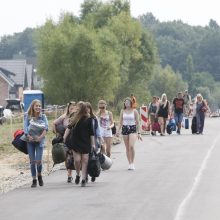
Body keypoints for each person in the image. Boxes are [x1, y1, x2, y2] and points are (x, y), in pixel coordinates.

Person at [63, 101, 95, 187]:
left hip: (85, 142)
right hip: (75, 141)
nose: (76, 108)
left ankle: (83, 179)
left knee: (85, 160)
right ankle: (78, 174)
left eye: (78, 107)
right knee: (77, 160)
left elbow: (92, 133)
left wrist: (93, 144)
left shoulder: (89, 119)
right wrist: (64, 137)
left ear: (82, 108)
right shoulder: (74, 117)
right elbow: (69, 128)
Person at [23, 99, 48, 188]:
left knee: (38, 161)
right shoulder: (28, 116)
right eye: (36, 106)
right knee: (32, 162)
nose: (38, 107)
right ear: (33, 107)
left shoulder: (43, 117)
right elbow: (25, 127)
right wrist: (28, 136)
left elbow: (46, 128)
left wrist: (40, 138)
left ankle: (40, 175)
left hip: (39, 141)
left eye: (39, 106)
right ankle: (34, 179)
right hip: (30, 141)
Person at [53, 101, 77, 183]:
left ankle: (78, 174)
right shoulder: (64, 117)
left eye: (74, 108)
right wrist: (57, 132)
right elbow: (54, 123)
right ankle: (69, 175)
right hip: (66, 139)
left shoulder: (78, 116)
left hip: (76, 140)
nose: (73, 110)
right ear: (68, 109)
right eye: (71, 108)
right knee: (68, 157)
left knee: (76, 157)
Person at [116, 97, 142, 170]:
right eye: (125, 102)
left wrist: (139, 132)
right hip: (125, 129)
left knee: (131, 146)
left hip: (132, 128)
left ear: (131, 103)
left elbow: (138, 122)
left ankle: (133, 163)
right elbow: (120, 122)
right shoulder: (122, 111)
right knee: (127, 148)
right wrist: (118, 131)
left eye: (128, 102)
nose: (126, 103)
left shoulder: (135, 111)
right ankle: (130, 163)